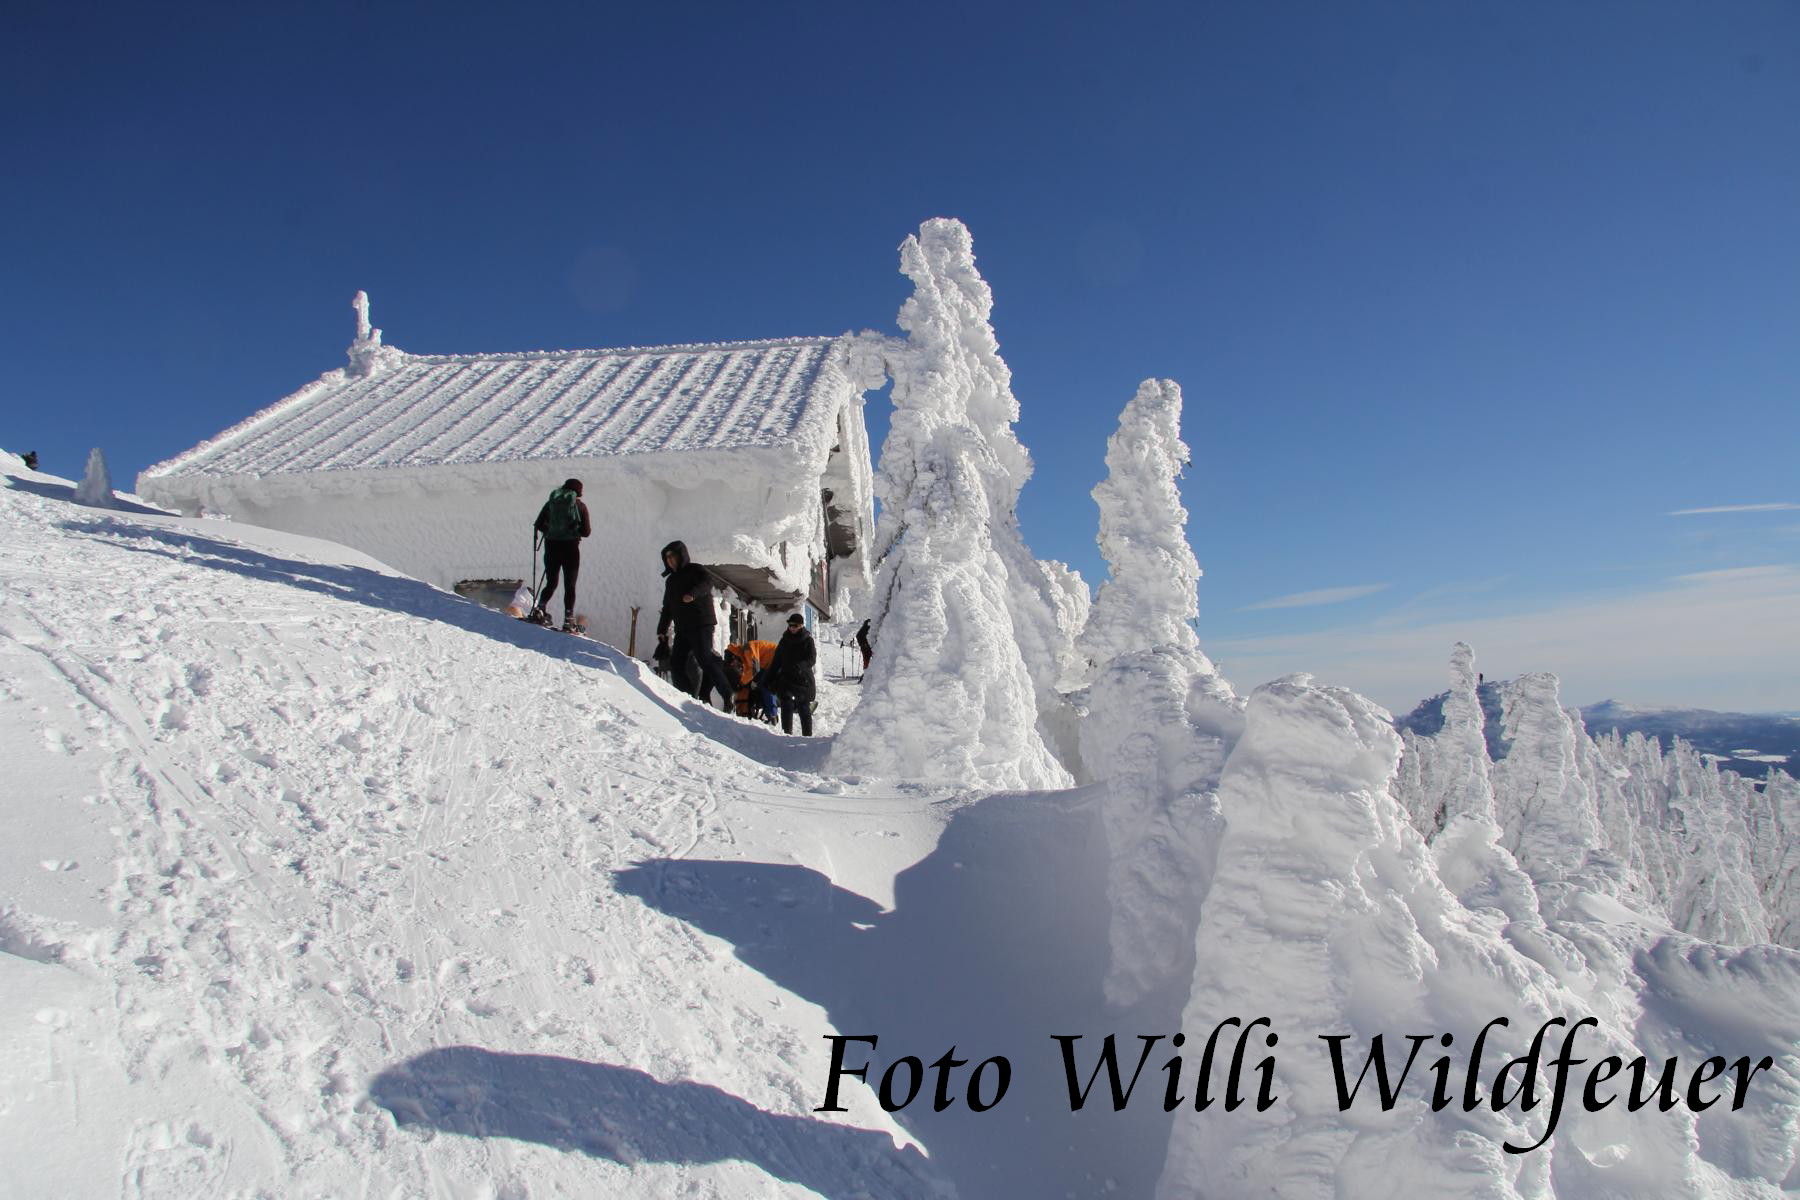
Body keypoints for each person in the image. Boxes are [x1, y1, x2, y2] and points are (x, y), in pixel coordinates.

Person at [656, 540, 736, 711]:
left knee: (704, 659)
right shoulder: (670, 581)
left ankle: (727, 693)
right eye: (667, 558)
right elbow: (667, 607)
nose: (670, 561)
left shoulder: (696, 570)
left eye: (673, 556)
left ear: (681, 555)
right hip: (683, 627)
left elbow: (707, 584)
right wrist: (661, 630)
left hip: (701, 623)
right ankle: (687, 697)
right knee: (676, 663)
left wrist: (692, 594)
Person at [531, 478, 591, 631]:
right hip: (570, 549)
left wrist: (551, 531)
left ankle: (540, 609)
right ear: (578, 492)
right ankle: (568, 619)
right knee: (569, 586)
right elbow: (586, 532)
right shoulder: (580, 506)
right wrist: (573, 529)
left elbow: (538, 524)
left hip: (551, 546)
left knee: (551, 582)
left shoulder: (551, 503)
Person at [767, 612, 817, 736]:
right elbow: (776, 660)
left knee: (803, 707)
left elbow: (811, 659)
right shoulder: (784, 640)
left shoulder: (808, 640)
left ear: (801, 625)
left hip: (802, 679)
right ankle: (786, 735)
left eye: (794, 626)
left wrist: (800, 667)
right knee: (786, 705)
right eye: (790, 625)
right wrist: (767, 678)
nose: (792, 628)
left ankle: (807, 737)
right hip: (786, 678)